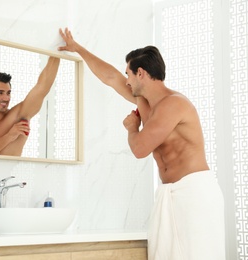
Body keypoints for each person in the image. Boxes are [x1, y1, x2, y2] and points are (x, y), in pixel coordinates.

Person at [58, 28, 225, 259]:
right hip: (169, 192)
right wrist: (78, 49)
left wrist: (132, 129)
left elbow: (140, 149)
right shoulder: (145, 101)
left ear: (141, 73)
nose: (125, 79)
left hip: (193, 194)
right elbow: (109, 77)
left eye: (128, 74)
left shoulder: (173, 104)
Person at [0, 56, 60, 156]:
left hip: (13, 172)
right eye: (0, 93)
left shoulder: (18, 116)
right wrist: (10, 136)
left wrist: (56, 51)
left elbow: (42, 86)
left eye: (8, 93)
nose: (6, 98)